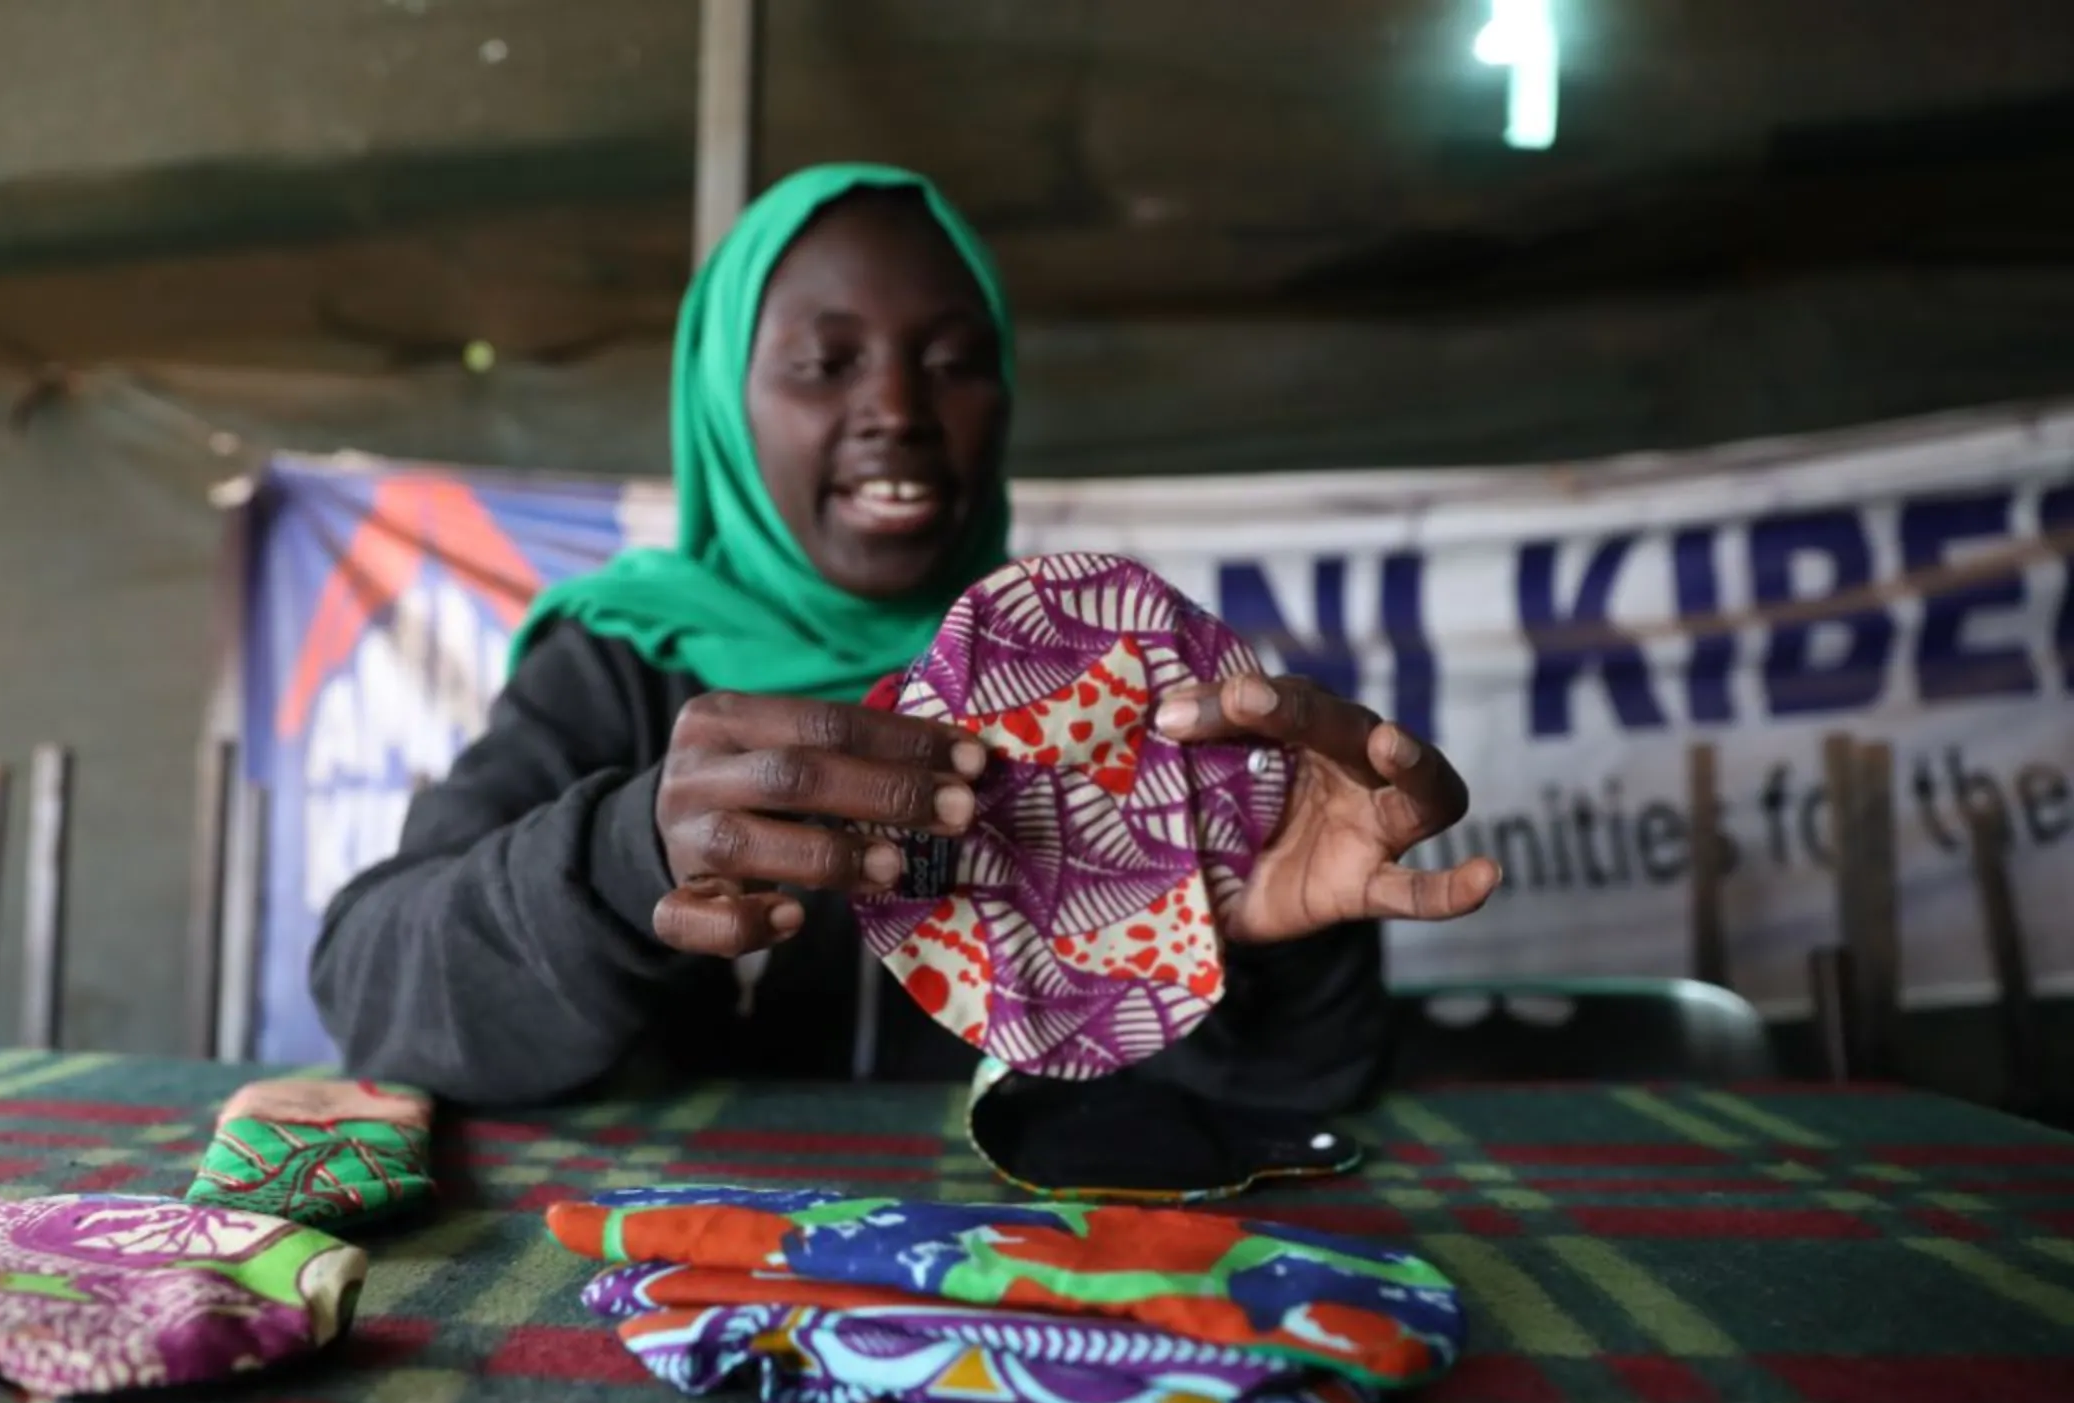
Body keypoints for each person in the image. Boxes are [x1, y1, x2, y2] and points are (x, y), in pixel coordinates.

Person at [311, 163, 1499, 1117]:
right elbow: (374, 991)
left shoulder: (1107, 686)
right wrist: (628, 860)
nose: (897, 412)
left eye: (952, 364)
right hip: (670, 1273)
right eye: (826, 365)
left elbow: (1300, 1092)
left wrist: (1255, 944)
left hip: (1019, 1280)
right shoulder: (619, 665)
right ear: (726, 405)